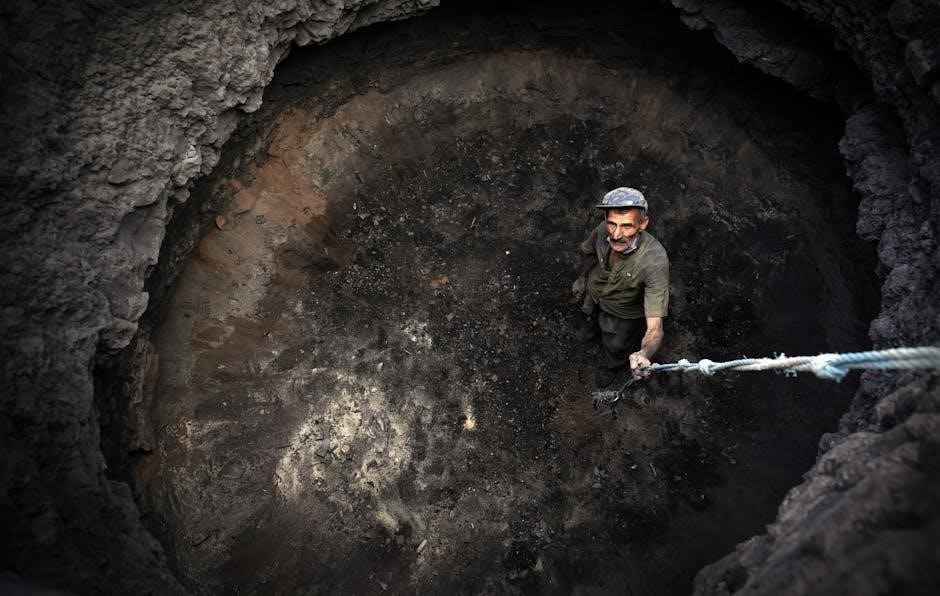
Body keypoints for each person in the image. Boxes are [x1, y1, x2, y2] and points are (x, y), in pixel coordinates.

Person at [571, 187, 670, 387]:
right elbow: (591, 254)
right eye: (612, 224)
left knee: (616, 345)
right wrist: (582, 278)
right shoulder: (602, 230)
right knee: (588, 318)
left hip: (622, 314)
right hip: (594, 291)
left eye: (627, 226)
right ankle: (591, 331)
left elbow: (655, 327)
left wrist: (644, 353)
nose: (616, 234)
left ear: (643, 224)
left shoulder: (654, 261)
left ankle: (612, 366)